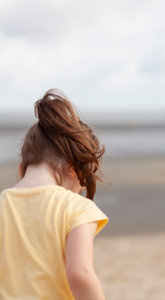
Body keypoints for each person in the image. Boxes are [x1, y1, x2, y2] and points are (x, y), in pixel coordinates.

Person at [0, 89, 108, 299]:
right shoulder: (76, 207)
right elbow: (79, 273)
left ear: (21, 168)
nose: (80, 190)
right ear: (71, 169)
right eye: (82, 182)